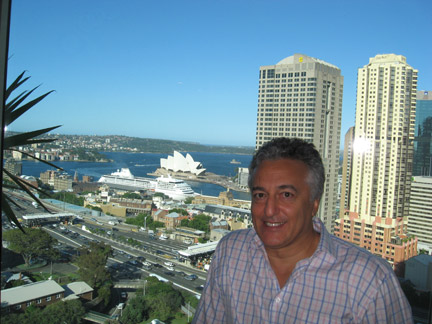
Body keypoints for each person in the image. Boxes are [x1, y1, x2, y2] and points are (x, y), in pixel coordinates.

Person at [192, 137, 413, 323]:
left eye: (286, 195)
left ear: (313, 204)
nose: (269, 210)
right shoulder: (230, 252)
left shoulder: (370, 281)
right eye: (260, 195)